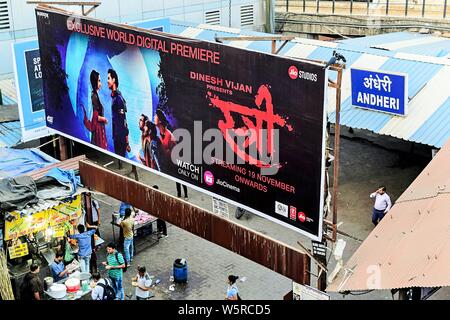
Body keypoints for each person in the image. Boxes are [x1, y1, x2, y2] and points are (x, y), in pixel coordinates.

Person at [82, 70, 108, 149]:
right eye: (99, 80)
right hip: (98, 132)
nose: (100, 84)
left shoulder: (95, 95)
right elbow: (95, 116)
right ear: (95, 81)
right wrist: (104, 119)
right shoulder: (94, 96)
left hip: (99, 130)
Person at [108, 68, 130, 157]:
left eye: (109, 78)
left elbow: (124, 120)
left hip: (120, 139)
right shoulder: (114, 98)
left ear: (114, 80)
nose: (107, 81)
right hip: (116, 137)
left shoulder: (119, 99)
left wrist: (126, 141)